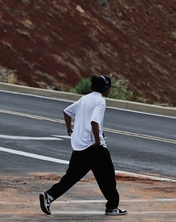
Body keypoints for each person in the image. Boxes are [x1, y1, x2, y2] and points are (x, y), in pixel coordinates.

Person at [39, 75, 127, 216]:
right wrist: (97, 141)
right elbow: (94, 122)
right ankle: (112, 207)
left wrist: (69, 130)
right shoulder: (100, 101)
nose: (109, 90)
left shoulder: (84, 98)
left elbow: (67, 112)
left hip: (80, 147)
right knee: (107, 177)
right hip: (95, 148)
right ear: (105, 88)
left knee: (71, 177)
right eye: (109, 87)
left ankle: (49, 196)